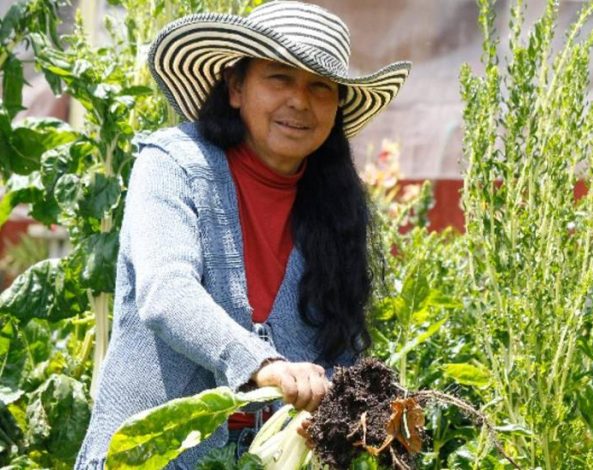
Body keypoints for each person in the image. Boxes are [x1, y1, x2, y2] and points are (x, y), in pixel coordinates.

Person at [75, 1, 411, 467]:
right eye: (279, 78)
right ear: (235, 87)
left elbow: (335, 353)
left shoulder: (333, 210)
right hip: (150, 459)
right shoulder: (173, 164)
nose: (300, 100)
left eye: (320, 87)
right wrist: (262, 364)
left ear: (336, 107)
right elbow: (165, 291)